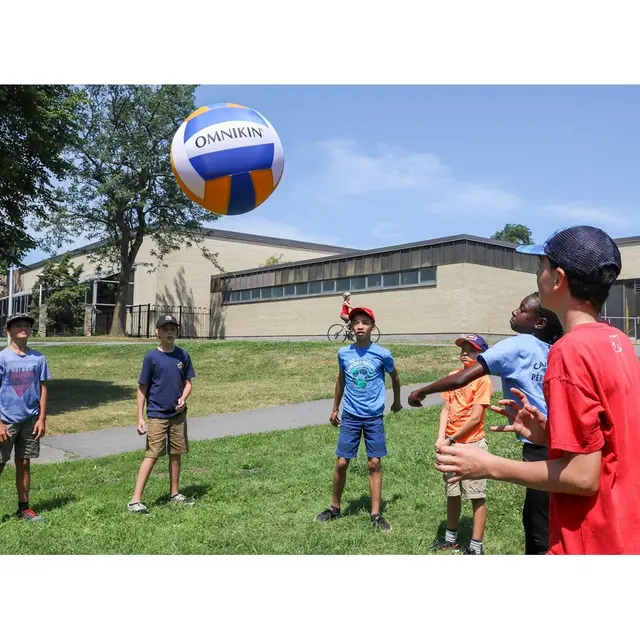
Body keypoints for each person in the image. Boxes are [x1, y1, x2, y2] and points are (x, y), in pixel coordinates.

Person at [435, 225, 640, 554]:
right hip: (626, 529)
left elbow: (583, 478)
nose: (536, 275)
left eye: (539, 266)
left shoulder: (569, 352)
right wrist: (550, 435)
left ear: (558, 279)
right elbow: (609, 441)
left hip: (590, 540)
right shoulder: (619, 341)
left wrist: (488, 465)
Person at [409, 293, 564, 555]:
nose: (514, 312)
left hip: (538, 444)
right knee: (550, 519)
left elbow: (462, 379)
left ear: (538, 323)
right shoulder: (552, 349)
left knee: (538, 529)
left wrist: (421, 392)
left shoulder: (518, 345)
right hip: (558, 440)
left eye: (522, 309)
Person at [315, 307, 402, 531]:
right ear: (351, 327)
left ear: (373, 326)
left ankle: (375, 515)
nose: (360, 326)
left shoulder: (382, 353)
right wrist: (335, 408)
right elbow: (341, 380)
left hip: (374, 417)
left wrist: (397, 401)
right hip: (351, 416)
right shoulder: (344, 353)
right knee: (342, 462)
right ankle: (334, 508)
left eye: (365, 322)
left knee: (374, 463)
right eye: (356, 322)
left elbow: (395, 376)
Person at [128, 314, 196, 514]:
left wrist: (183, 398)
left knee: (176, 454)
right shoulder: (151, 357)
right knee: (153, 454)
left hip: (178, 415)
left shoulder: (183, 356)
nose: (169, 332)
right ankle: (135, 500)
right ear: (157, 332)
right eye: (165, 329)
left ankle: (174, 493)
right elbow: (142, 388)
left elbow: (188, 383)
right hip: (157, 415)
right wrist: (140, 417)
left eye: (173, 329)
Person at [431, 334, 493, 554]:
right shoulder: (453, 376)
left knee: (476, 496)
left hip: (472, 445)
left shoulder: (482, 379)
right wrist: (441, 437)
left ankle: (475, 547)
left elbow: (476, 417)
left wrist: (451, 438)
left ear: (482, 355)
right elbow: (446, 410)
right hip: (451, 444)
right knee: (452, 492)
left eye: (471, 349)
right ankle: (451, 538)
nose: (465, 352)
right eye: (463, 348)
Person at [0, 313, 52, 522]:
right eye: (18, 325)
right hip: (6, 421)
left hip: (30, 421)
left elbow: (43, 387)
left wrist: (42, 418)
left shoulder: (38, 358)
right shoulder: (2, 357)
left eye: (26, 325)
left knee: (24, 463)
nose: (23, 328)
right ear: (8, 331)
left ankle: (24, 508)